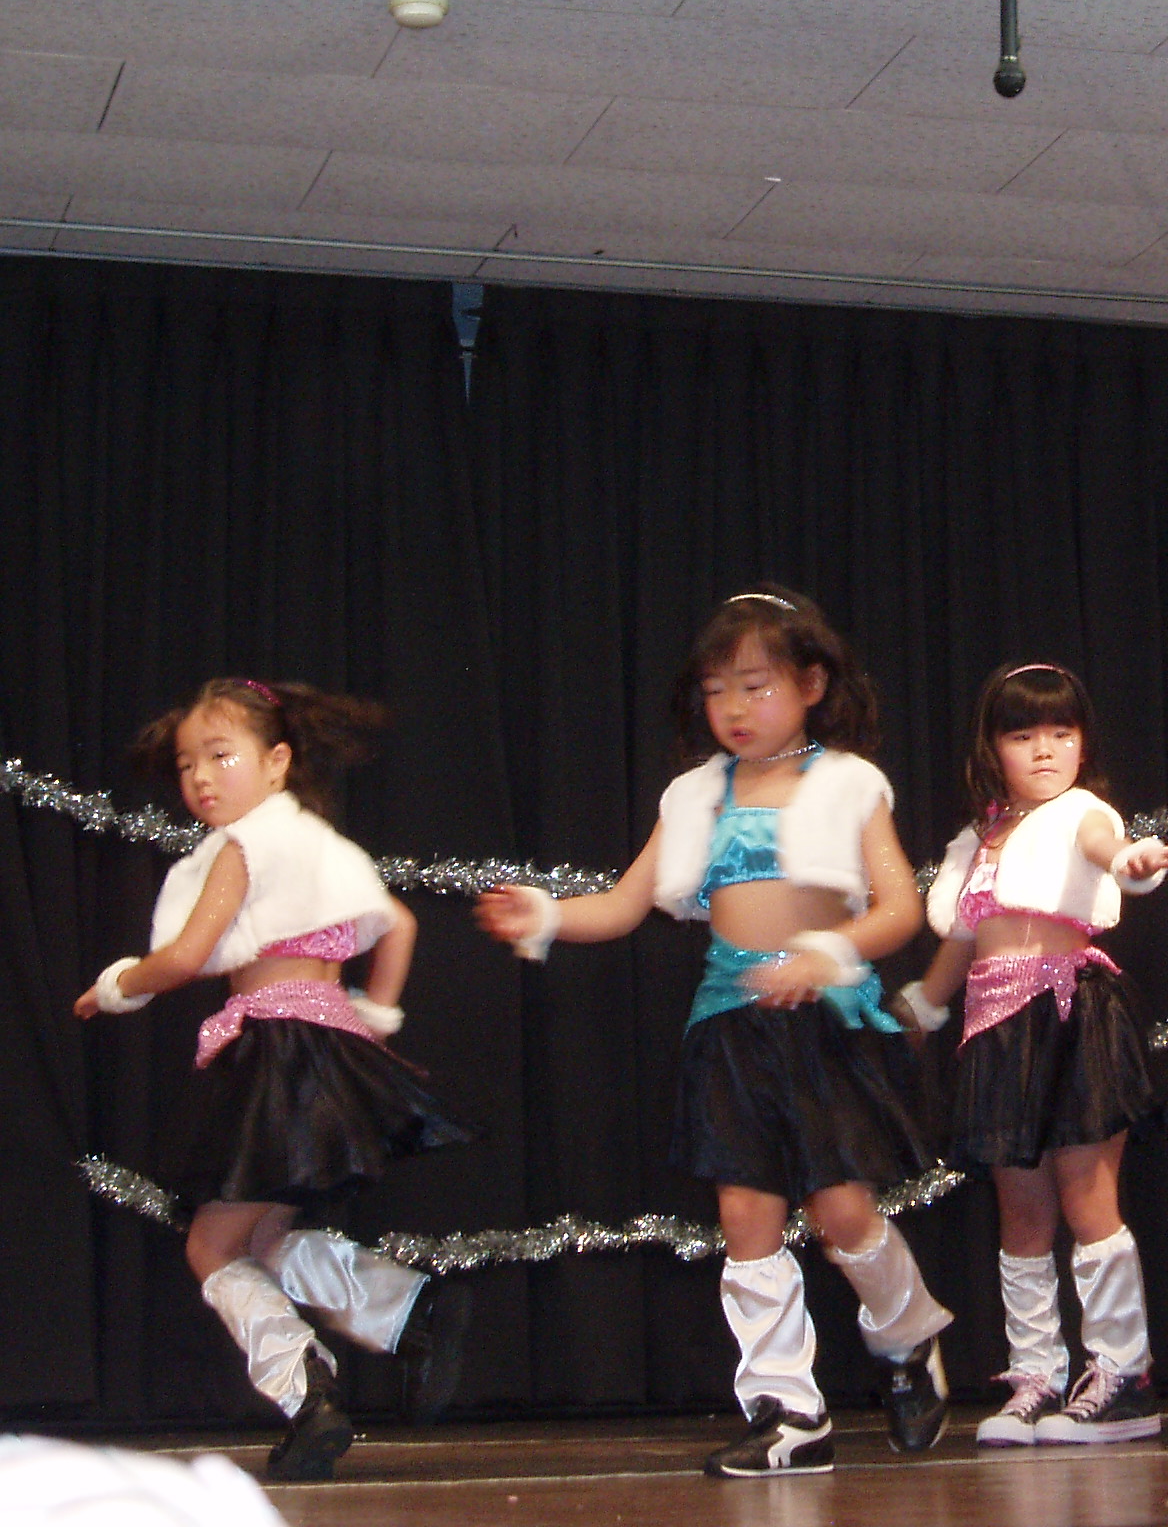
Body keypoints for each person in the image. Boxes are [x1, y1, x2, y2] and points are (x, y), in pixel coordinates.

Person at [475, 590, 951, 1477]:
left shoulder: (848, 784)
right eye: (716, 690)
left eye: (756, 686)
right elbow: (624, 905)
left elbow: (900, 909)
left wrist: (826, 952)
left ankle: (908, 1336)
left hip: (822, 1021)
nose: (734, 707)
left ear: (812, 684)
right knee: (745, 1214)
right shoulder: (696, 795)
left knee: (842, 1210)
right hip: (730, 1024)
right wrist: (544, 915)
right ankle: (787, 1410)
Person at [75, 678, 471, 1483]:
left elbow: (188, 956)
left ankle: (307, 1390)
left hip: (275, 1053)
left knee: (210, 1244)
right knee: (261, 1238)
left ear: (277, 761)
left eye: (220, 756)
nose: (201, 778)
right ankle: (404, 1306)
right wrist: (374, 1015)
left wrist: (117, 986)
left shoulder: (241, 847)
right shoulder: (323, 844)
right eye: (187, 764)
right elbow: (399, 923)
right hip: (331, 1050)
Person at [901, 663, 1168, 1446]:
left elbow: (1107, 846)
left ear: (1083, 743)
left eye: (1062, 732)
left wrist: (1131, 860)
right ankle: (1036, 1375)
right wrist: (919, 1007)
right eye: (1023, 735)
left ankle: (1123, 1376)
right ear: (993, 749)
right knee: (1021, 1210)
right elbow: (961, 941)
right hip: (994, 1028)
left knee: (1088, 1196)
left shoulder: (1083, 812)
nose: (1045, 749)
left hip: (1069, 1013)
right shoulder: (977, 839)